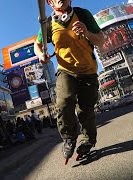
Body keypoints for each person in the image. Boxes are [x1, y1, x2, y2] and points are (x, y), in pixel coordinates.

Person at [34, 0, 103, 162]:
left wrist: (87, 33)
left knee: (86, 110)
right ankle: (69, 138)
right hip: (66, 71)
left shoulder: (82, 14)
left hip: (88, 71)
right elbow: (37, 45)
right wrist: (40, 55)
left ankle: (88, 140)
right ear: (49, 2)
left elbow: (100, 40)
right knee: (64, 102)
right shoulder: (47, 24)